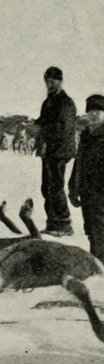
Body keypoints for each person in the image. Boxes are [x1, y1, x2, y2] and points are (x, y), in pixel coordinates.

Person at [34, 66, 77, 236]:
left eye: (53, 80)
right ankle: (52, 223)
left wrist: (42, 129)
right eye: (47, 81)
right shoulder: (48, 102)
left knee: (55, 186)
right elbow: (44, 120)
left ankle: (64, 223)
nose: (50, 84)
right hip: (49, 151)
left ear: (60, 81)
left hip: (60, 150)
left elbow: (63, 128)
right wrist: (37, 123)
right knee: (47, 187)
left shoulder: (66, 103)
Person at [69, 95, 104, 261]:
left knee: (101, 230)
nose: (93, 114)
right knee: (90, 229)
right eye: (90, 111)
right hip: (86, 191)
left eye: (98, 111)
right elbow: (78, 163)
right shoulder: (85, 135)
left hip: (101, 193)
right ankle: (95, 262)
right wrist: (73, 187)